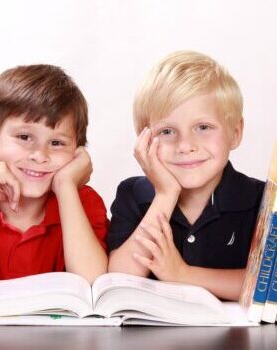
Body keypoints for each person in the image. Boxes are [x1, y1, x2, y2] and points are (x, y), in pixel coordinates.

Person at [0, 65, 108, 299]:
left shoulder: (82, 203)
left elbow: (94, 288)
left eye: (57, 143)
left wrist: (65, 186)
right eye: (24, 137)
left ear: (77, 152)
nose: (40, 155)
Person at [107, 51, 265, 301]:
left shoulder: (260, 199)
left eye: (203, 128)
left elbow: (269, 285)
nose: (185, 145)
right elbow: (118, 280)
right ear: (144, 139)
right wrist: (165, 194)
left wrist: (183, 274)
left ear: (235, 133)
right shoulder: (133, 194)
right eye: (167, 131)